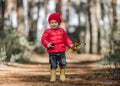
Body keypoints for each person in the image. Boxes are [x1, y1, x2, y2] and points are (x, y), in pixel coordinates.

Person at [41, 12, 73, 82]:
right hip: (52, 52)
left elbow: (66, 39)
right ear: (49, 23)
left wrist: (70, 44)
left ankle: (62, 75)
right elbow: (44, 39)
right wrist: (48, 44)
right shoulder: (47, 31)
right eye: (51, 22)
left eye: (55, 22)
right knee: (53, 64)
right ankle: (53, 76)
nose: (53, 24)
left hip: (61, 52)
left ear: (58, 23)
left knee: (63, 63)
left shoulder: (62, 31)